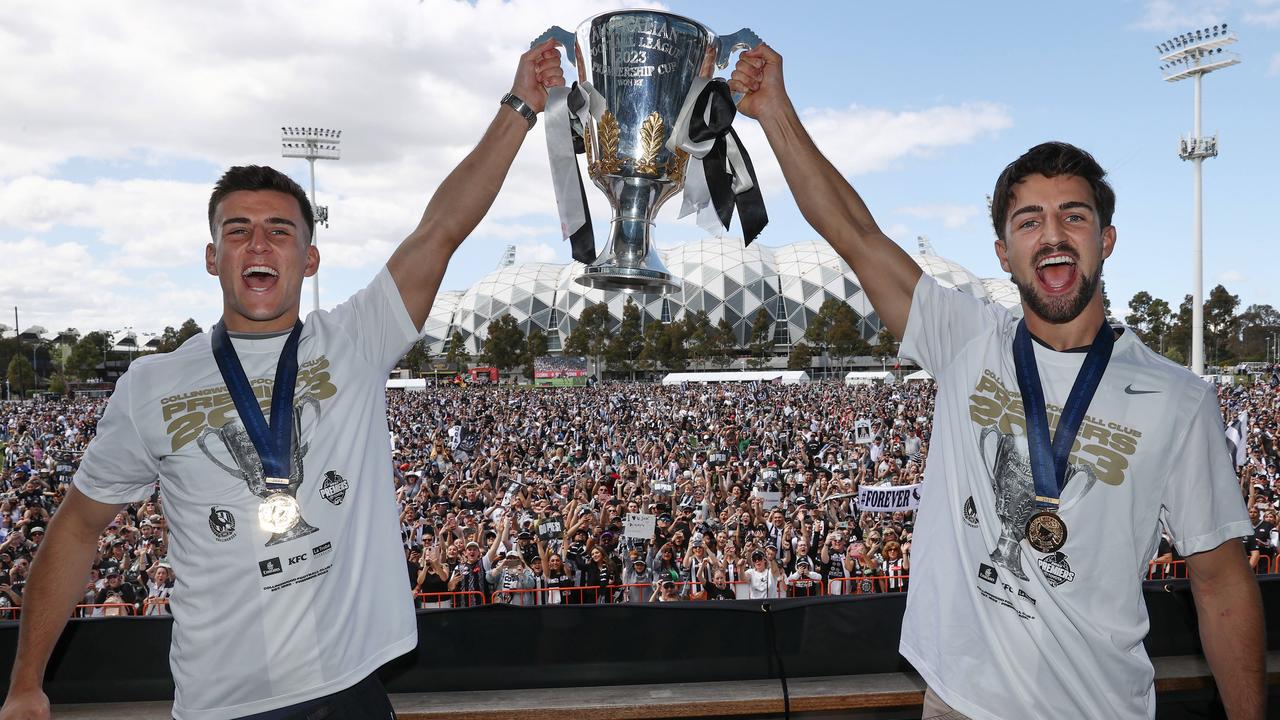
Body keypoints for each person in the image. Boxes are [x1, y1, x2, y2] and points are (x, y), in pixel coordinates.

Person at [0, 42, 566, 720]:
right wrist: (26, 680)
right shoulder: (152, 384)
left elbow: (441, 229)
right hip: (223, 706)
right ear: (213, 257)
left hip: (352, 692)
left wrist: (519, 108)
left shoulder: (355, 341)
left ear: (310, 254)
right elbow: (75, 528)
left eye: (279, 230)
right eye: (238, 231)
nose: (259, 244)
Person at [731, 44, 1263, 719]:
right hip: (960, 704)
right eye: (1028, 220)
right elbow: (854, 234)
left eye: (1074, 215)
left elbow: (1221, 584)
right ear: (1003, 254)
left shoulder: (1178, 399)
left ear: (1107, 239)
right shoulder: (967, 340)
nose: (1053, 234)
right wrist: (776, 113)